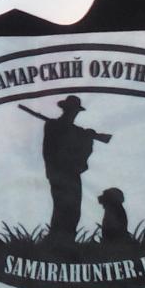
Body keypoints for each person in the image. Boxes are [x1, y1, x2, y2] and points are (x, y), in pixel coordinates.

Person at [41, 95, 109, 244]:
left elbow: (83, 151)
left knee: (74, 207)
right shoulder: (53, 125)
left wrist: (88, 138)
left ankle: (68, 240)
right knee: (61, 205)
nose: (73, 113)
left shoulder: (77, 131)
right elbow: (49, 151)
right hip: (59, 173)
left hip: (72, 172)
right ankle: (56, 239)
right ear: (64, 110)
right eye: (71, 110)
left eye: (75, 111)